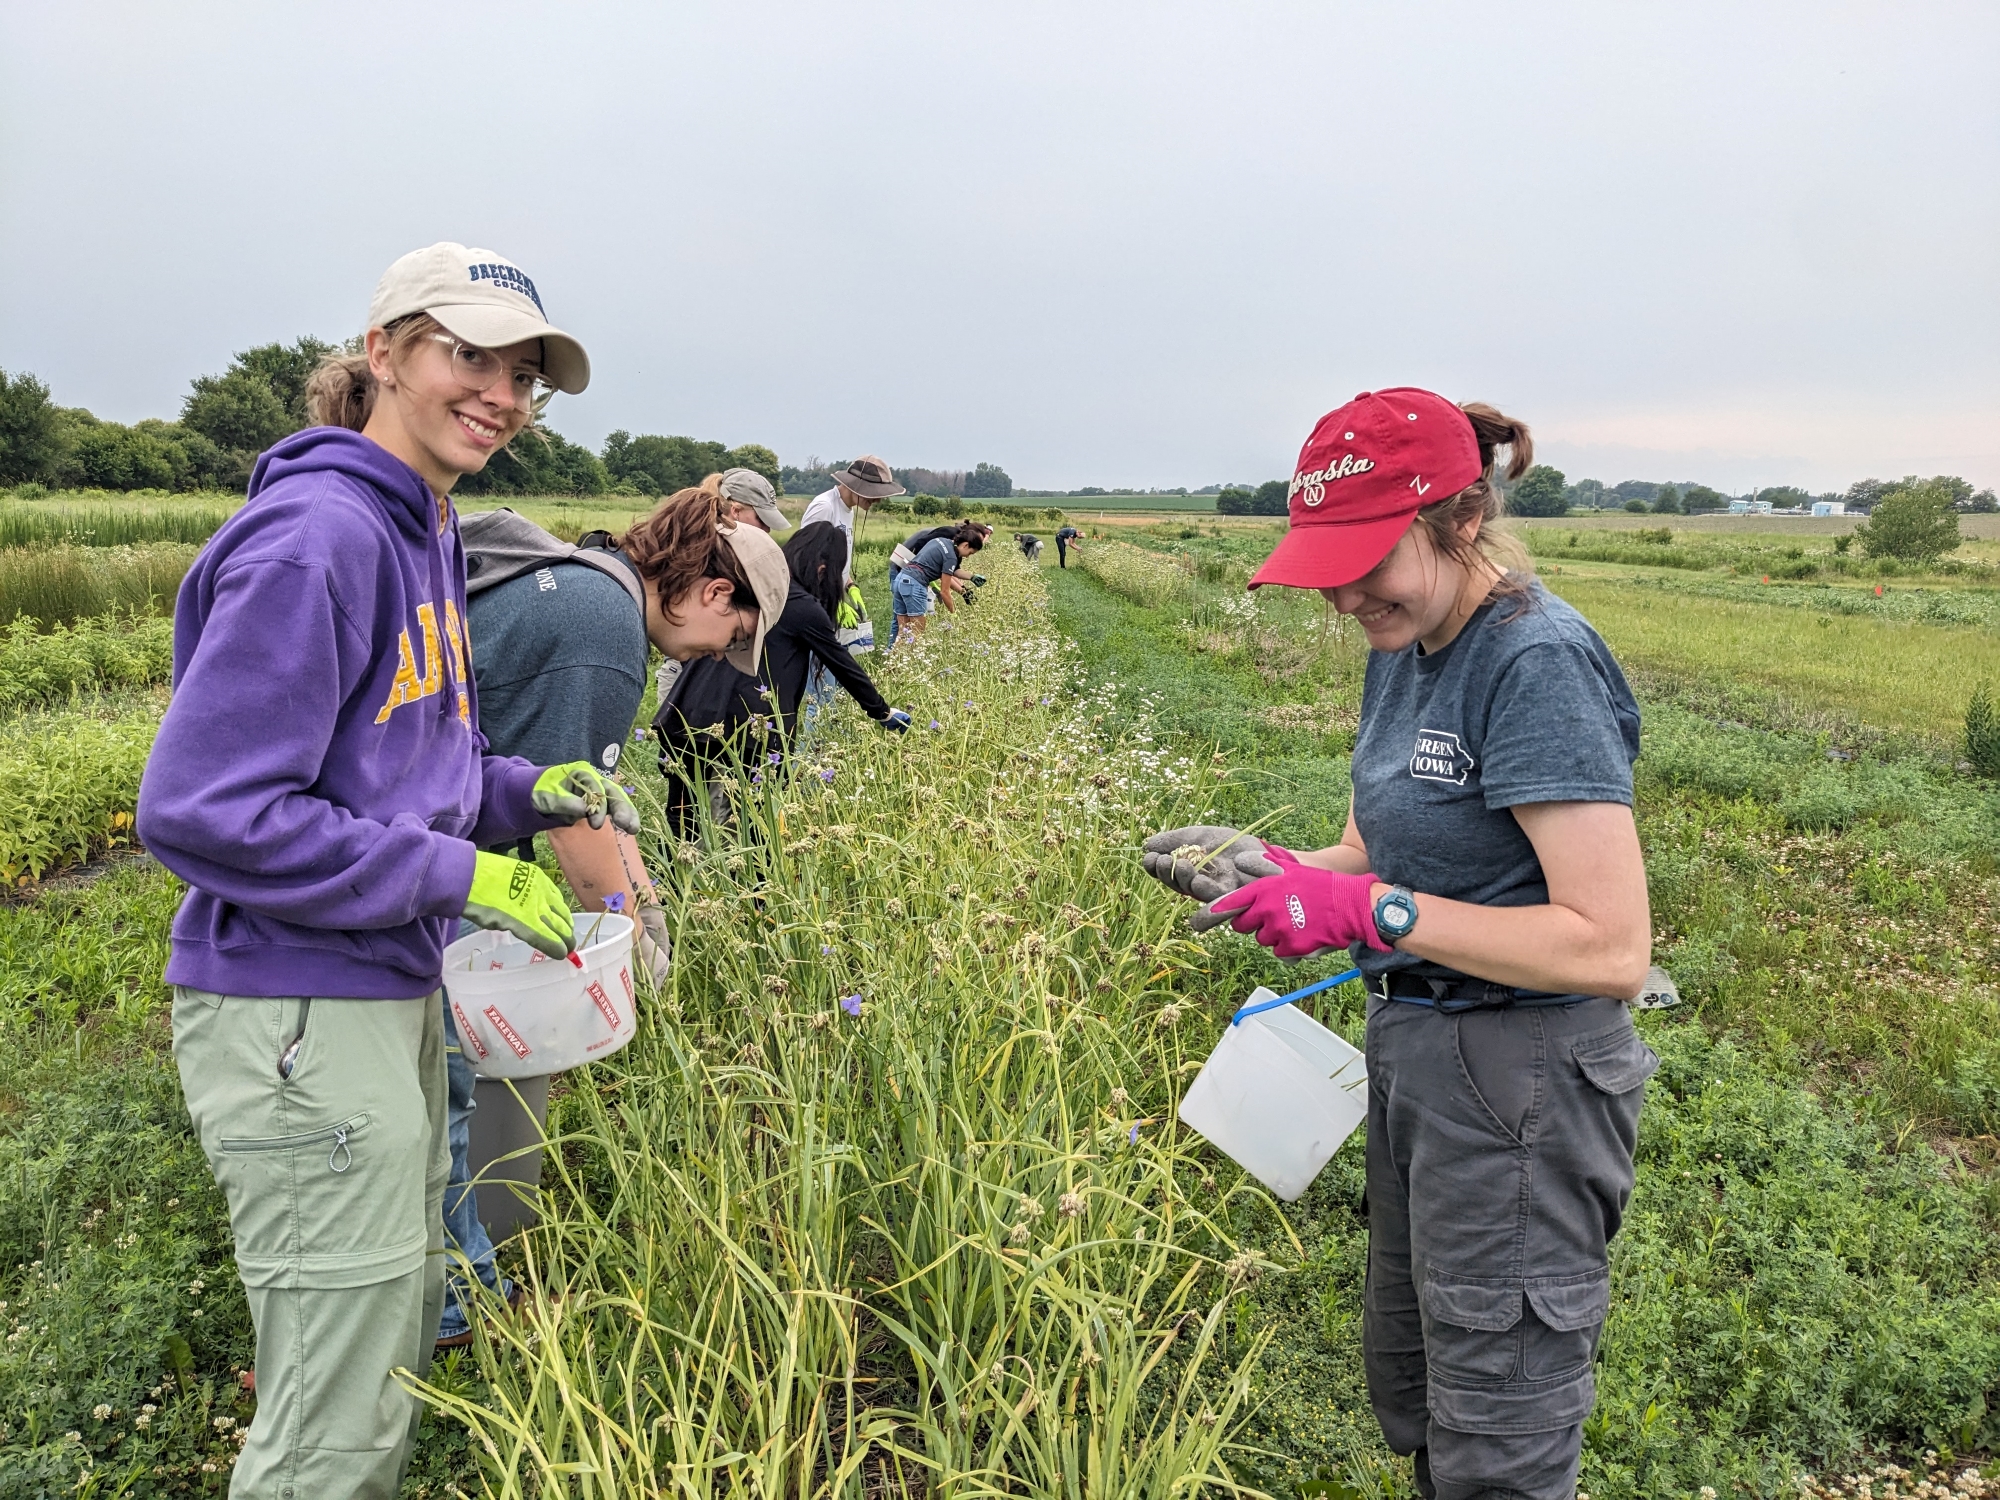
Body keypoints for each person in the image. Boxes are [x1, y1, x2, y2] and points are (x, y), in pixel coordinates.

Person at [135, 243, 682, 1498]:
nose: (500, 392)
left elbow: (402, 759)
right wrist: (457, 875)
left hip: (372, 989)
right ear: (382, 351)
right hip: (296, 1009)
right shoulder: (321, 536)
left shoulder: (425, 519)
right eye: (468, 354)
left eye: (524, 373)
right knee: (336, 1421)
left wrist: (515, 793)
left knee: (381, 1356)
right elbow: (201, 810)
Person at [1142, 389, 1656, 1500]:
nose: (1338, 594)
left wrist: (1374, 915)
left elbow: (1610, 946)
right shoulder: (1405, 637)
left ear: (1460, 519)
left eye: (1364, 559)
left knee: (1499, 1409)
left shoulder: (1534, 663)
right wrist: (1270, 868)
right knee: (1424, 1381)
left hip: (1522, 1075)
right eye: (1324, 563)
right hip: (1417, 1050)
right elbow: (1369, 849)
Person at [439, 482, 787, 1350]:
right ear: (714, 594)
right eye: (733, 636)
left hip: (443, 844)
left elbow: (587, 797)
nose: (716, 654)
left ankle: (460, 1273)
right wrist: (633, 939)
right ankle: (460, 1295)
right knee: (441, 1084)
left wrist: (648, 905)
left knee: (446, 1079)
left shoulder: (588, 584)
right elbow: (573, 829)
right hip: (428, 867)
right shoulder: (603, 632)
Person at [655, 519, 909, 839]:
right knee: (743, 830)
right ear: (822, 568)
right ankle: (742, 887)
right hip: (742, 730)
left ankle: (671, 885)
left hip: (685, 714)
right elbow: (842, 663)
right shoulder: (801, 605)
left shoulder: (754, 587)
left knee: (684, 823)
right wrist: (882, 711)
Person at [798, 456, 903, 708]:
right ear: (854, 486)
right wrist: (830, 601)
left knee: (832, 683)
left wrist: (849, 586)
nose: (876, 500)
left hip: (832, 601)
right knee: (821, 688)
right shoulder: (824, 507)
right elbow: (804, 563)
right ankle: (813, 746)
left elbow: (836, 560)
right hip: (817, 605)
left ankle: (823, 739)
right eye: (872, 493)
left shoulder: (848, 510)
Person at [889, 523, 983, 649]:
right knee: (917, 633)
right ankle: (913, 663)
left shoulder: (941, 541)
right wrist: (953, 613)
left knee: (903, 632)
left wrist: (971, 576)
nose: (967, 556)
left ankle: (893, 664)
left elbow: (953, 570)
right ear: (965, 545)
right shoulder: (951, 556)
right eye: (970, 553)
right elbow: (945, 591)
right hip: (914, 584)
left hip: (901, 579)